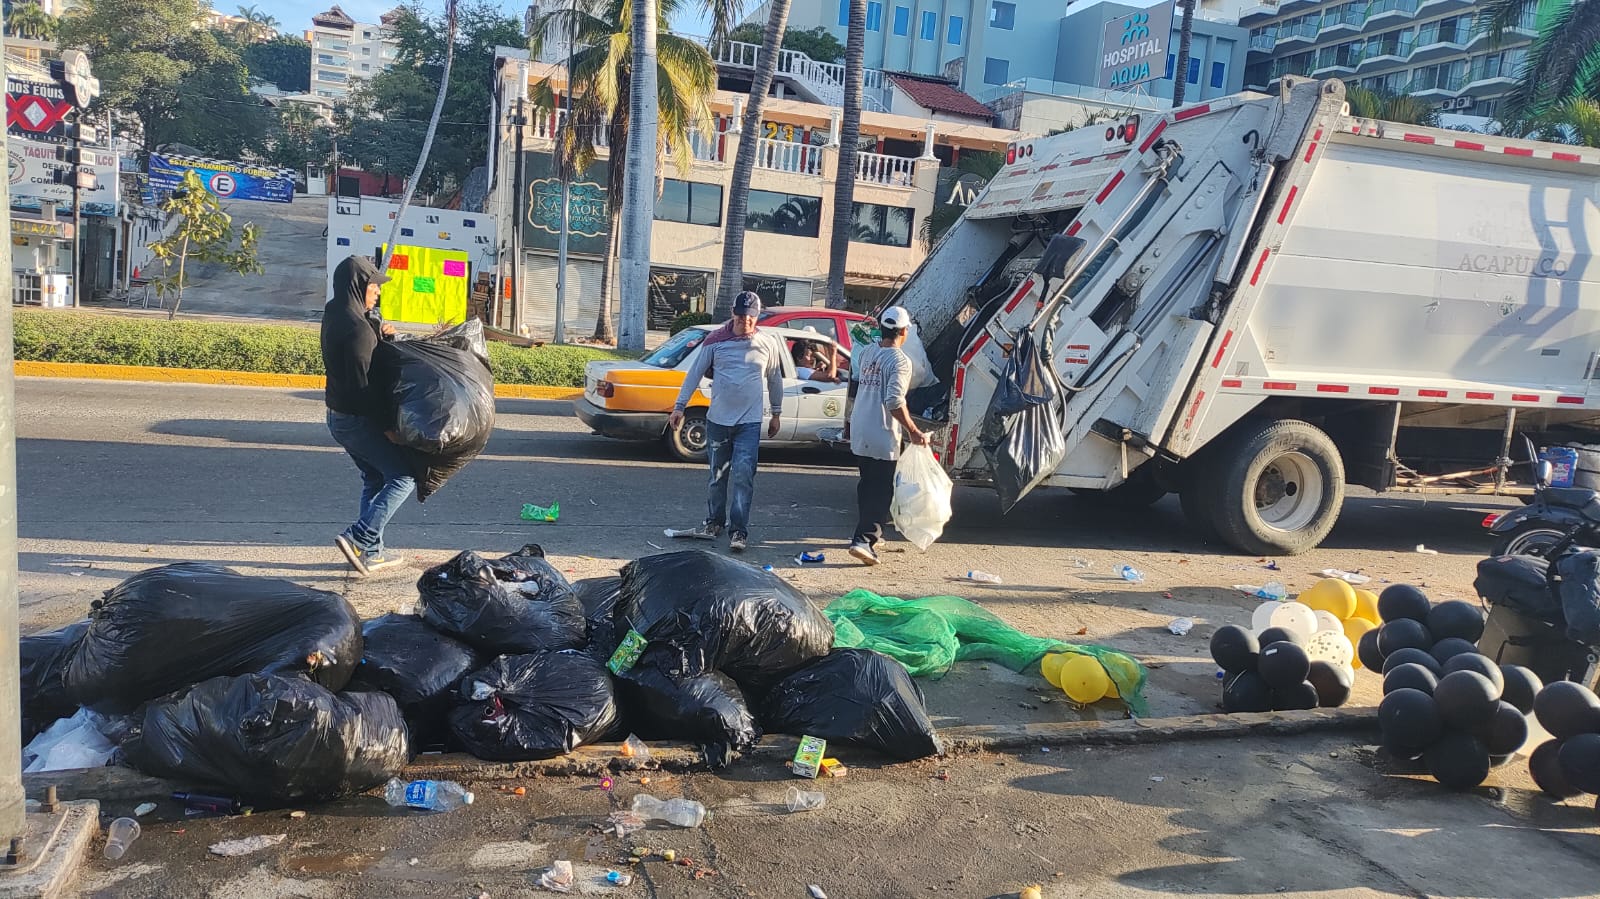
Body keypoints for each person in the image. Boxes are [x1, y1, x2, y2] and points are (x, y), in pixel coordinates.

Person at [667, 291, 785, 552]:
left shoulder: (767, 343)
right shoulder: (715, 340)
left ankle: (739, 530)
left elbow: (775, 379)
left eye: (750, 317)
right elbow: (694, 373)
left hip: (749, 423)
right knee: (717, 475)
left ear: (757, 316)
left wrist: (777, 413)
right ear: (733, 313)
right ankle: (714, 522)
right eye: (741, 316)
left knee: (744, 475)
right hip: (718, 421)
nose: (745, 321)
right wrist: (679, 407)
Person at [322, 254, 411, 575]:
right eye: (374, 286)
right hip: (356, 419)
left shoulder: (336, 312)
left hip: (337, 416)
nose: (378, 291)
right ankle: (359, 536)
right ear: (359, 286)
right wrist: (388, 428)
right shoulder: (358, 328)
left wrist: (379, 332)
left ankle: (371, 552)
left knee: (374, 477)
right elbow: (363, 386)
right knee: (403, 477)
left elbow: (357, 354)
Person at [845, 306, 929, 566]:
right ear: (904, 332)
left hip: (861, 427)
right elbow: (894, 401)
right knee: (881, 490)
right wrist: (913, 431)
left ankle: (870, 534)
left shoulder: (868, 353)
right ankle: (863, 540)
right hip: (882, 431)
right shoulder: (900, 361)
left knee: (867, 483)